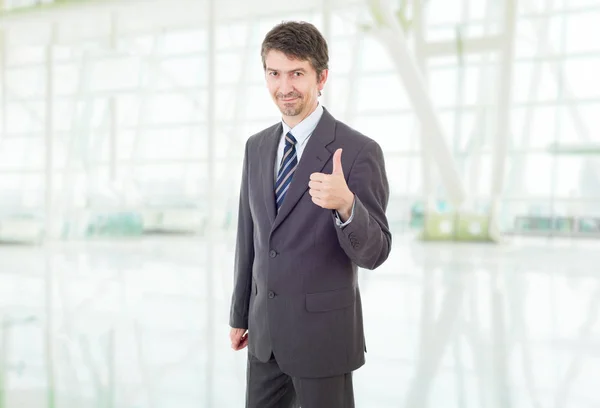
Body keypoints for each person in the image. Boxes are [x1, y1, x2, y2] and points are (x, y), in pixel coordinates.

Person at [229, 20, 392, 408]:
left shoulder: (357, 151)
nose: (284, 87)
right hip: (265, 336)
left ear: (322, 78)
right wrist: (240, 313)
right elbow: (248, 237)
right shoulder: (256, 148)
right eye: (275, 73)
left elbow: (376, 252)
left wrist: (347, 206)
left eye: (297, 73)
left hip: (323, 339)